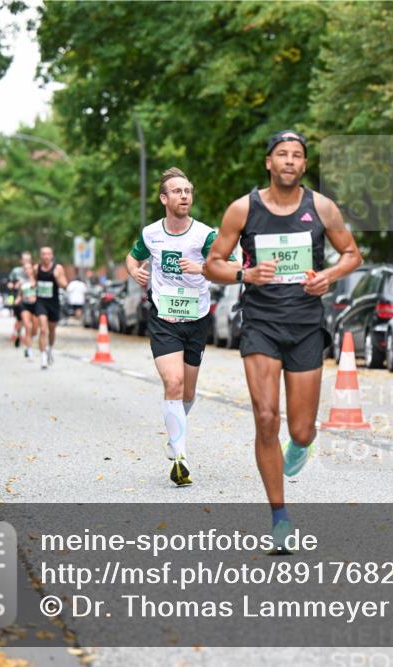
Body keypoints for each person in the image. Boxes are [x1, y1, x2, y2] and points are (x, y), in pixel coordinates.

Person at [204, 130, 362, 552]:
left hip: (307, 323)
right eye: (282, 155)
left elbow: (352, 254)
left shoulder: (321, 207)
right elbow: (212, 264)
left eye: (297, 155)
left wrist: (327, 276)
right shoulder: (243, 209)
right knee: (266, 416)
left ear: (304, 166)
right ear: (269, 163)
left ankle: (301, 447)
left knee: (302, 430)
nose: (289, 161)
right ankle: (279, 517)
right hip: (260, 322)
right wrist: (245, 274)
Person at [126, 167, 240, 487]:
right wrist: (135, 271)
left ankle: (175, 433)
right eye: (177, 191)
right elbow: (131, 259)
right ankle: (181, 455)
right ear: (164, 198)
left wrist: (202, 267)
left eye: (188, 191)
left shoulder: (204, 235)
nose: (184, 196)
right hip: (164, 318)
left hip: (197, 318)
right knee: (173, 384)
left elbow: (231, 267)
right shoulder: (151, 234)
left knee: (187, 392)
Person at [34, 246, 68, 369]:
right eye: (43, 254)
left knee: (51, 330)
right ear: (40, 256)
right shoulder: (36, 268)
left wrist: (57, 278)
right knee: (43, 329)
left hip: (53, 303)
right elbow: (33, 281)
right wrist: (32, 285)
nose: (46, 256)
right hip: (40, 302)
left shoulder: (58, 268)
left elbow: (64, 284)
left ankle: (50, 349)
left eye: (48, 254)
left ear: (52, 255)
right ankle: (43, 357)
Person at [16, 256, 38, 358]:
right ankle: (29, 350)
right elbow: (20, 295)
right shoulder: (22, 282)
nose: (27, 271)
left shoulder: (37, 280)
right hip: (25, 305)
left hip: (36, 306)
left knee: (34, 330)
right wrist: (17, 300)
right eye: (25, 269)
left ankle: (29, 343)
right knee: (27, 327)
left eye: (29, 268)